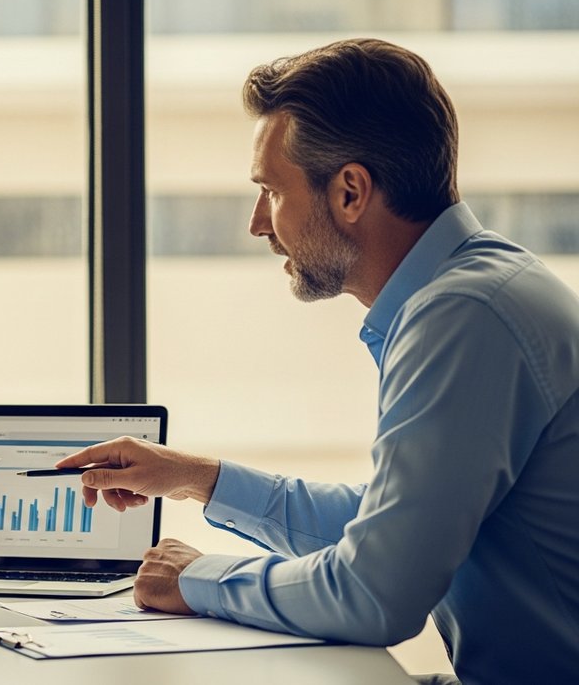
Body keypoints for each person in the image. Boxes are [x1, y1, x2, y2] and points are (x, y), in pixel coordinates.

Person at [59, 38, 579, 684]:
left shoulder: (465, 316)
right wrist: (198, 478)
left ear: (351, 192)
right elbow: (391, 525)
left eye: (270, 191)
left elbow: (374, 594)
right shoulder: (470, 289)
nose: (257, 224)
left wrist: (197, 579)